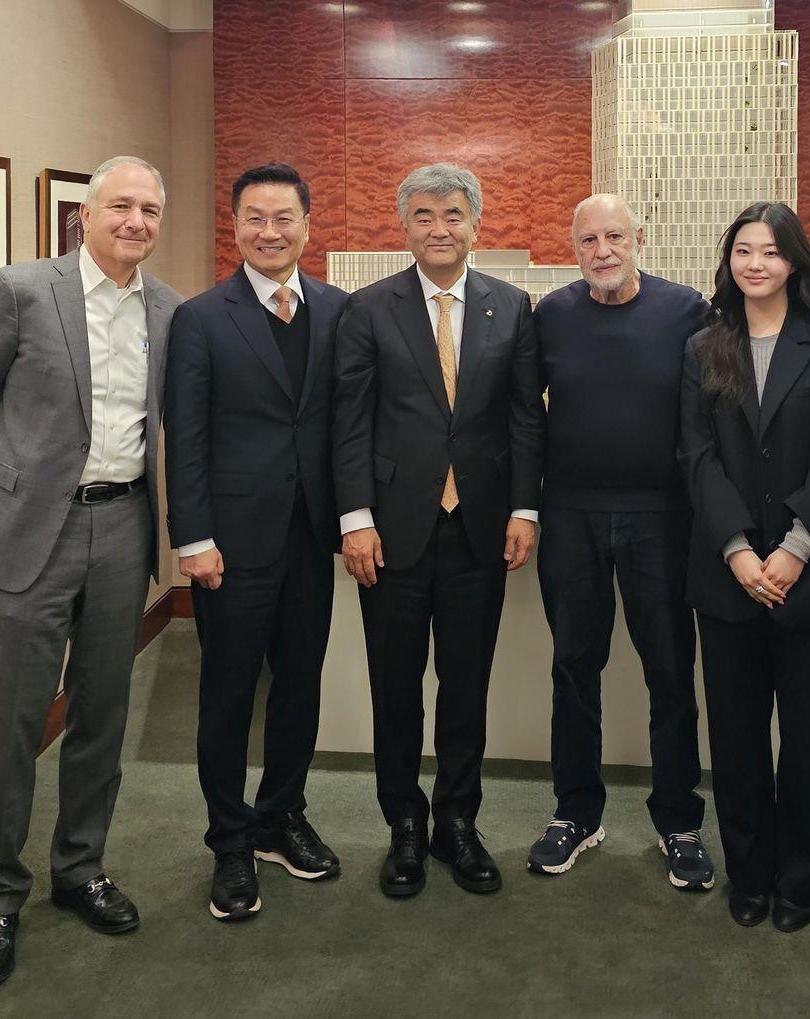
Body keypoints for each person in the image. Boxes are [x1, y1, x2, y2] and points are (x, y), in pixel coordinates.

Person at [0, 156, 180, 988]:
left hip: (123, 525)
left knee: (103, 710)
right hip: (30, 536)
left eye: (150, 209)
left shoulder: (167, 307)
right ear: (87, 214)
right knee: (12, 718)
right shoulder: (20, 290)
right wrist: (13, 493)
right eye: (121, 205)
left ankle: (80, 867)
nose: (137, 221)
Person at [332, 163, 544, 897]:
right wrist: (354, 519)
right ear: (405, 226)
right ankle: (404, 827)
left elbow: (526, 419)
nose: (439, 229)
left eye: (452, 214)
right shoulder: (367, 310)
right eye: (423, 216)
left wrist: (525, 508)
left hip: (478, 531)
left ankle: (458, 821)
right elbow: (349, 422)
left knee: (466, 687)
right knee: (396, 690)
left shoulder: (511, 307)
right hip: (389, 535)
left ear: (475, 223)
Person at [164, 163, 348, 921]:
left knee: (300, 685)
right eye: (253, 218)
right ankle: (230, 841)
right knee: (229, 693)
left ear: (307, 226)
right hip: (231, 544)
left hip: (311, 536)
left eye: (283, 219)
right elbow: (188, 437)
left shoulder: (339, 311)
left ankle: (281, 815)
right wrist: (193, 538)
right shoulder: (202, 318)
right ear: (233, 226)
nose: (269, 232)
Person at [679, 202, 810, 931]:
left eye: (771, 252)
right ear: (729, 263)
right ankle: (749, 872)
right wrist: (738, 548)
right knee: (736, 736)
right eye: (743, 252)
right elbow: (693, 457)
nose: (756, 264)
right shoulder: (703, 347)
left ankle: (801, 879)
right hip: (728, 577)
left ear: (795, 261)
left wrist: (789, 550)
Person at [527, 194, 714, 890]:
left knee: (669, 671)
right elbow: (522, 411)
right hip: (570, 513)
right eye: (587, 240)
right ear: (573, 248)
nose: (602, 250)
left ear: (640, 237)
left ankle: (679, 821)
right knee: (574, 667)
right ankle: (577, 812)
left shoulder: (685, 310)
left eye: (614, 235)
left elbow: (720, 400)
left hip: (661, 516)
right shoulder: (551, 315)